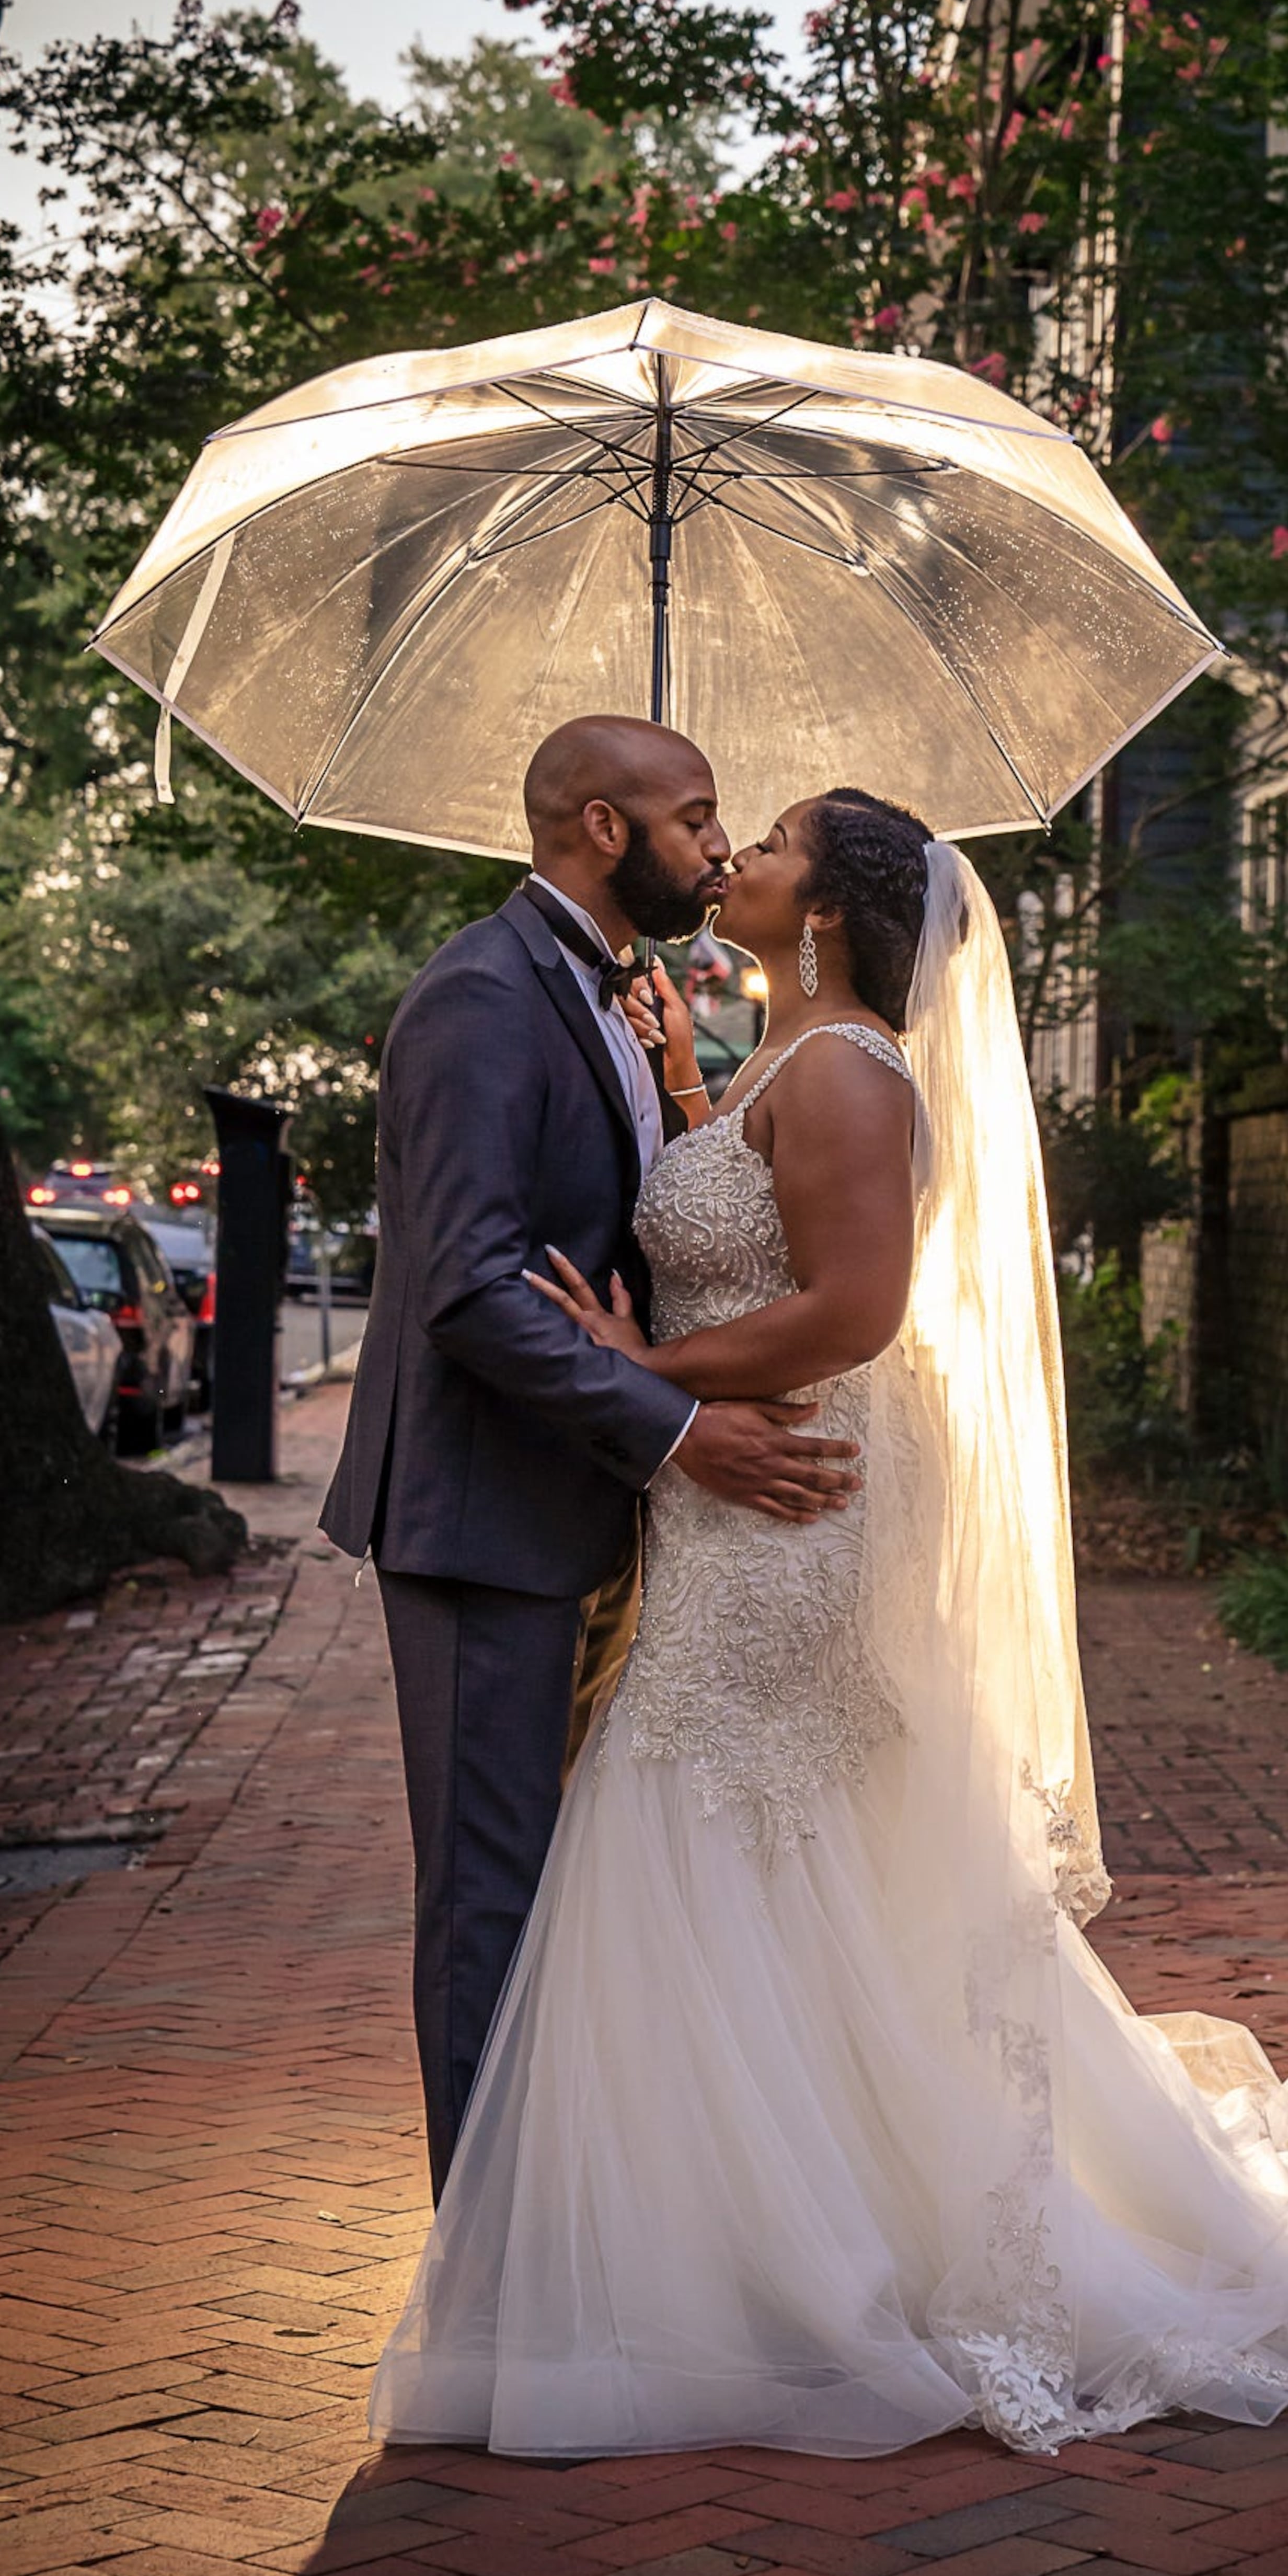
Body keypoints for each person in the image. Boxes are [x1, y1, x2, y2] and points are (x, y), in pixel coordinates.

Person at [369, 788, 1288, 2457]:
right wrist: (693, 1082)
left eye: (764, 839)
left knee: (720, 1825)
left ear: (833, 913)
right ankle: (767, 2223)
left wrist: (652, 1374)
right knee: (775, 1852)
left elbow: (852, 1307)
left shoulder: (850, 1071)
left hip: (774, 1511)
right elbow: (752, 1210)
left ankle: (766, 2254)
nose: (737, 859)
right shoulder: (789, 1057)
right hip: (730, 1509)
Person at [320, 718, 860, 2199]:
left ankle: (574, 2230)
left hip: (593, 1515)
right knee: (490, 1898)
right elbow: (473, 1288)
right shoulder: (481, 998)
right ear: (605, 829)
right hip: (482, 1519)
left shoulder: (614, 996)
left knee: (575, 1898)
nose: (717, 841)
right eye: (695, 817)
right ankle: (483, 2273)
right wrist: (681, 1427)